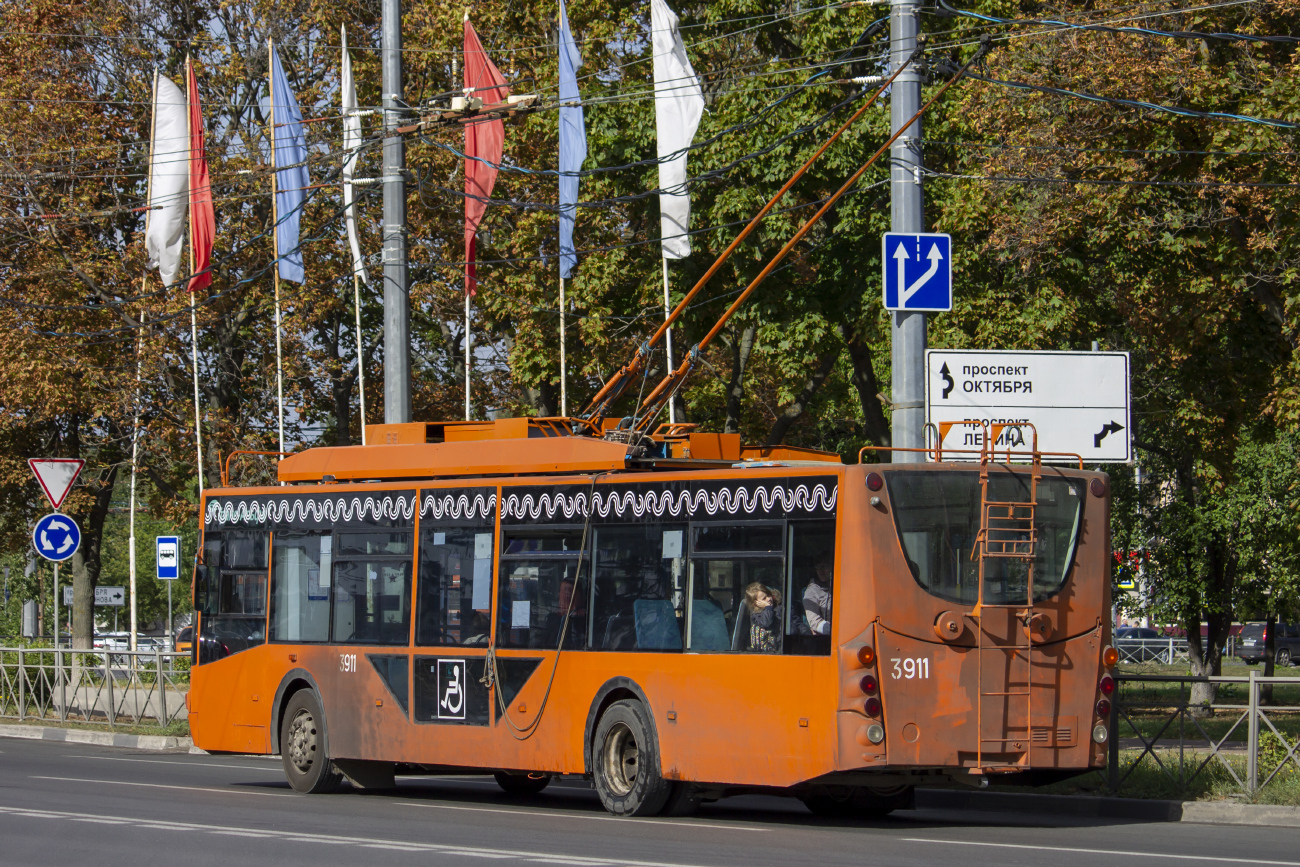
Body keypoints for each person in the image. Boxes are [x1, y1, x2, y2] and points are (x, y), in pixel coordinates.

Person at [745, 583, 782, 653]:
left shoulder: (779, 606)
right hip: (773, 649)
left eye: (768, 595)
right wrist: (768, 608)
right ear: (756, 603)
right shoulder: (757, 615)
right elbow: (766, 622)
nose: (768, 599)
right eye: (764, 598)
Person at [803, 554, 833, 636]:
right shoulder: (812, 591)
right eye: (818, 567)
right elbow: (815, 622)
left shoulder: (841, 586)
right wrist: (833, 630)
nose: (821, 570)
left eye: (825, 566)